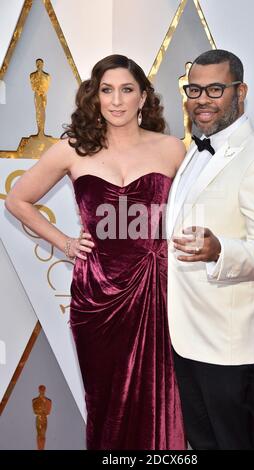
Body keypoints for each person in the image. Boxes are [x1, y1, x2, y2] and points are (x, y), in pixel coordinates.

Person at [5, 54, 186, 450]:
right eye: (107, 90)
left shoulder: (173, 149)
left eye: (126, 89)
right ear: (95, 96)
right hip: (97, 295)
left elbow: (195, 212)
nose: (116, 100)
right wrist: (65, 243)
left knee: (162, 398)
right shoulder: (73, 148)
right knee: (106, 402)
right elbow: (18, 200)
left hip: (159, 290)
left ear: (143, 98)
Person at [166, 49, 254, 450]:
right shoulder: (195, 150)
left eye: (215, 89)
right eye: (195, 89)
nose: (202, 99)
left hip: (231, 344)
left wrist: (221, 250)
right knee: (202, 443)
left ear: (241, 92)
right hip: (188, 335)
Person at [32, 385, 52, 450]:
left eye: (43, 390)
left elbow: (48, 412)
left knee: (43, 435)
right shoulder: (34, 401)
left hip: (44, 419)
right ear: (39, 390)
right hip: (39, 419)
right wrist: (42, 411)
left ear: (45, 390)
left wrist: (41, 411)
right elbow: (35, 411)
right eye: (41, 390)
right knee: (39, 434)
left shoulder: (49, 401)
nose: (42, 391)